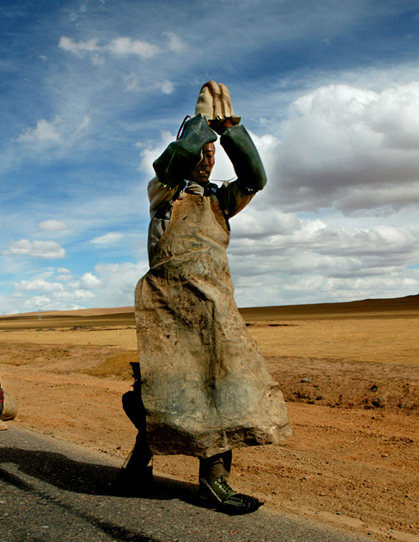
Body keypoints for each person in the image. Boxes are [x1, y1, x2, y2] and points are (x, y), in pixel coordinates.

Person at [122, 81, 292, 515]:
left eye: (212, 153)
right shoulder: (163, 189)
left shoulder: (223, 199)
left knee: (221, 392)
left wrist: (231, 129)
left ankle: (213, 484)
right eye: (203, 150)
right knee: (167, 392)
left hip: (215, 311)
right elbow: (175, 158)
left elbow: (256, 177)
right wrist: (199, 124)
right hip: (169, 313)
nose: (206, 157)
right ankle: (138, 468)